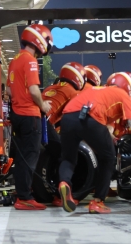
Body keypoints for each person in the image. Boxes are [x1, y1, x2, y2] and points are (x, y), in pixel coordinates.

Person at [58, 72, 131, 214]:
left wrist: (110, 139)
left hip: (68, 117)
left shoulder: (99, 90)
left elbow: (108, 128)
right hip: (91, 118)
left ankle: (64, 183)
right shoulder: (124, 97)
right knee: (108, 158)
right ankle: (98, 201)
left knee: (68, 159)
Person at [6, 24, 53, 210]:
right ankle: (25, 197)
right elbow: (34, 90)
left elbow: (9, 90)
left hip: (17, 115)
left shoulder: (14, 60)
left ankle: (22, 192)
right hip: (30, 115)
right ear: (39, 40)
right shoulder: (30, 61)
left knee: (21, 157)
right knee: (30, 156)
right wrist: (43, 105)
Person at [41, 62, 87, 207]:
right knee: (65, 157)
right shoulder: (72, 92)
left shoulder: (51, 87)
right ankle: (60, 194)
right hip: (44, 123)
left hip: (33, 121)